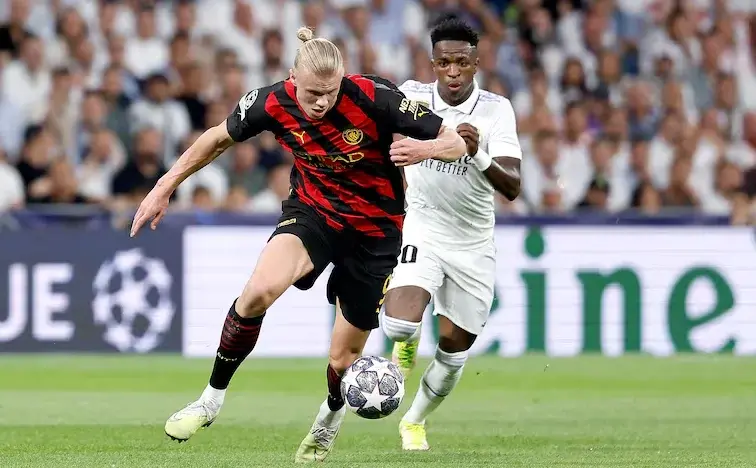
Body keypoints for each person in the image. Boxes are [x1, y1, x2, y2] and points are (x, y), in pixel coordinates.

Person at [128, 26, 466, 463]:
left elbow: (456, 140)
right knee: (257, 293)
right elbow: (216, 138)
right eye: (312, 93)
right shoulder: (272, 102)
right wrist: (163, 187)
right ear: (293, 79)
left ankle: (329, 417)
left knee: (343, 359)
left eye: (330, 92)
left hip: (375, 232)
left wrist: (426, 150)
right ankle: (209, 400)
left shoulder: (375, 98)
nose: (322, 102)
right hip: (313, 214)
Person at [380, 15, 522, 451]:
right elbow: (378, 135)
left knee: (454, 351)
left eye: (462, 63)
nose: (453, 72)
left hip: (473, 242)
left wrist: (477, 153)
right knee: (398, 325)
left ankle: (414, 421)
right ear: (433, 64)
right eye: (444, 63)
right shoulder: (412, 97)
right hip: (423, 226)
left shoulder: (496, 110)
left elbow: (512, 186)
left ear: (476, 63)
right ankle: (406, 342)